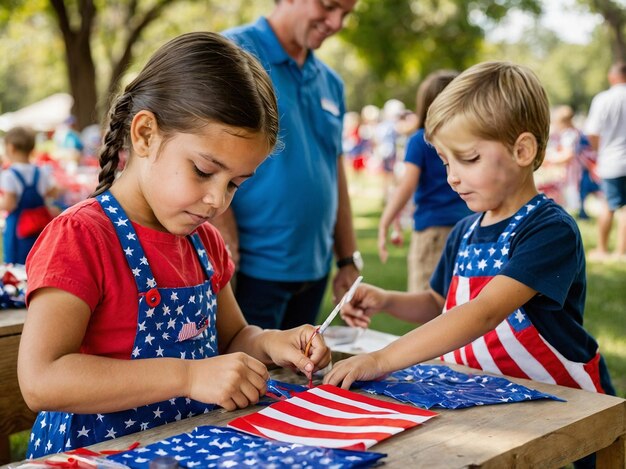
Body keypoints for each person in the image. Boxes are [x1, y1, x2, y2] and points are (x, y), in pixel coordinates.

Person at [17, 32, 331, 458]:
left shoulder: (205, 244)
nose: (218, 201)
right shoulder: (82, 238)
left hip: (184, 451)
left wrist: (271, 342)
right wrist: (187, 377)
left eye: (235, 184)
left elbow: (233, 335)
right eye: (204, 171)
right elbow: (41, 379)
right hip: (92, 457)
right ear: (145, 134)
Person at [325, 61, 614, 400]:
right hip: (484, 393)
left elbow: (483, 312)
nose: (453, 177)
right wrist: (386, 300)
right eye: (446, 162)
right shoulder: (463, 231)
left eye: (469, 158)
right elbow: (439, 303)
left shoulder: (549, 230)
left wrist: (382, 359)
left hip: (563, 399)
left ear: (522, 150)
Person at [216, 0, 361, 330]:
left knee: (296, 378)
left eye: (346, 14)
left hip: (314, 271)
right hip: (251, 269)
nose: (336, 22)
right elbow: (208, 149)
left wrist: (347, 259)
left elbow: (333, 172)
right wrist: (224, 236)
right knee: (250, 376)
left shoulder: (331, 82)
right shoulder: (232, 52)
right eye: (329, 6)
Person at [378, 70, 472, 292]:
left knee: (429, 299)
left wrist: (386, 221)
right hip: (470, 225)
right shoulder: (469, 137)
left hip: (434, 230)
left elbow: (407, 185)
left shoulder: (420, 140)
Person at [584, 62, 626, 261]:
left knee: (608, 205)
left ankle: (602, 248)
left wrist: (598, 150)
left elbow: (592, 132)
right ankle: (621, 250)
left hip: (611, 160)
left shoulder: (603, 99)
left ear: (612, 77)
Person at [0, 126, 57, 265]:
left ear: (11, 148)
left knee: (17, 262)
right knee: (39, 258)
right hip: (40, 224)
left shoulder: (9, 175)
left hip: (18, 228)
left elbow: (10, 204)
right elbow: (53, 191)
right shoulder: (40, 172)